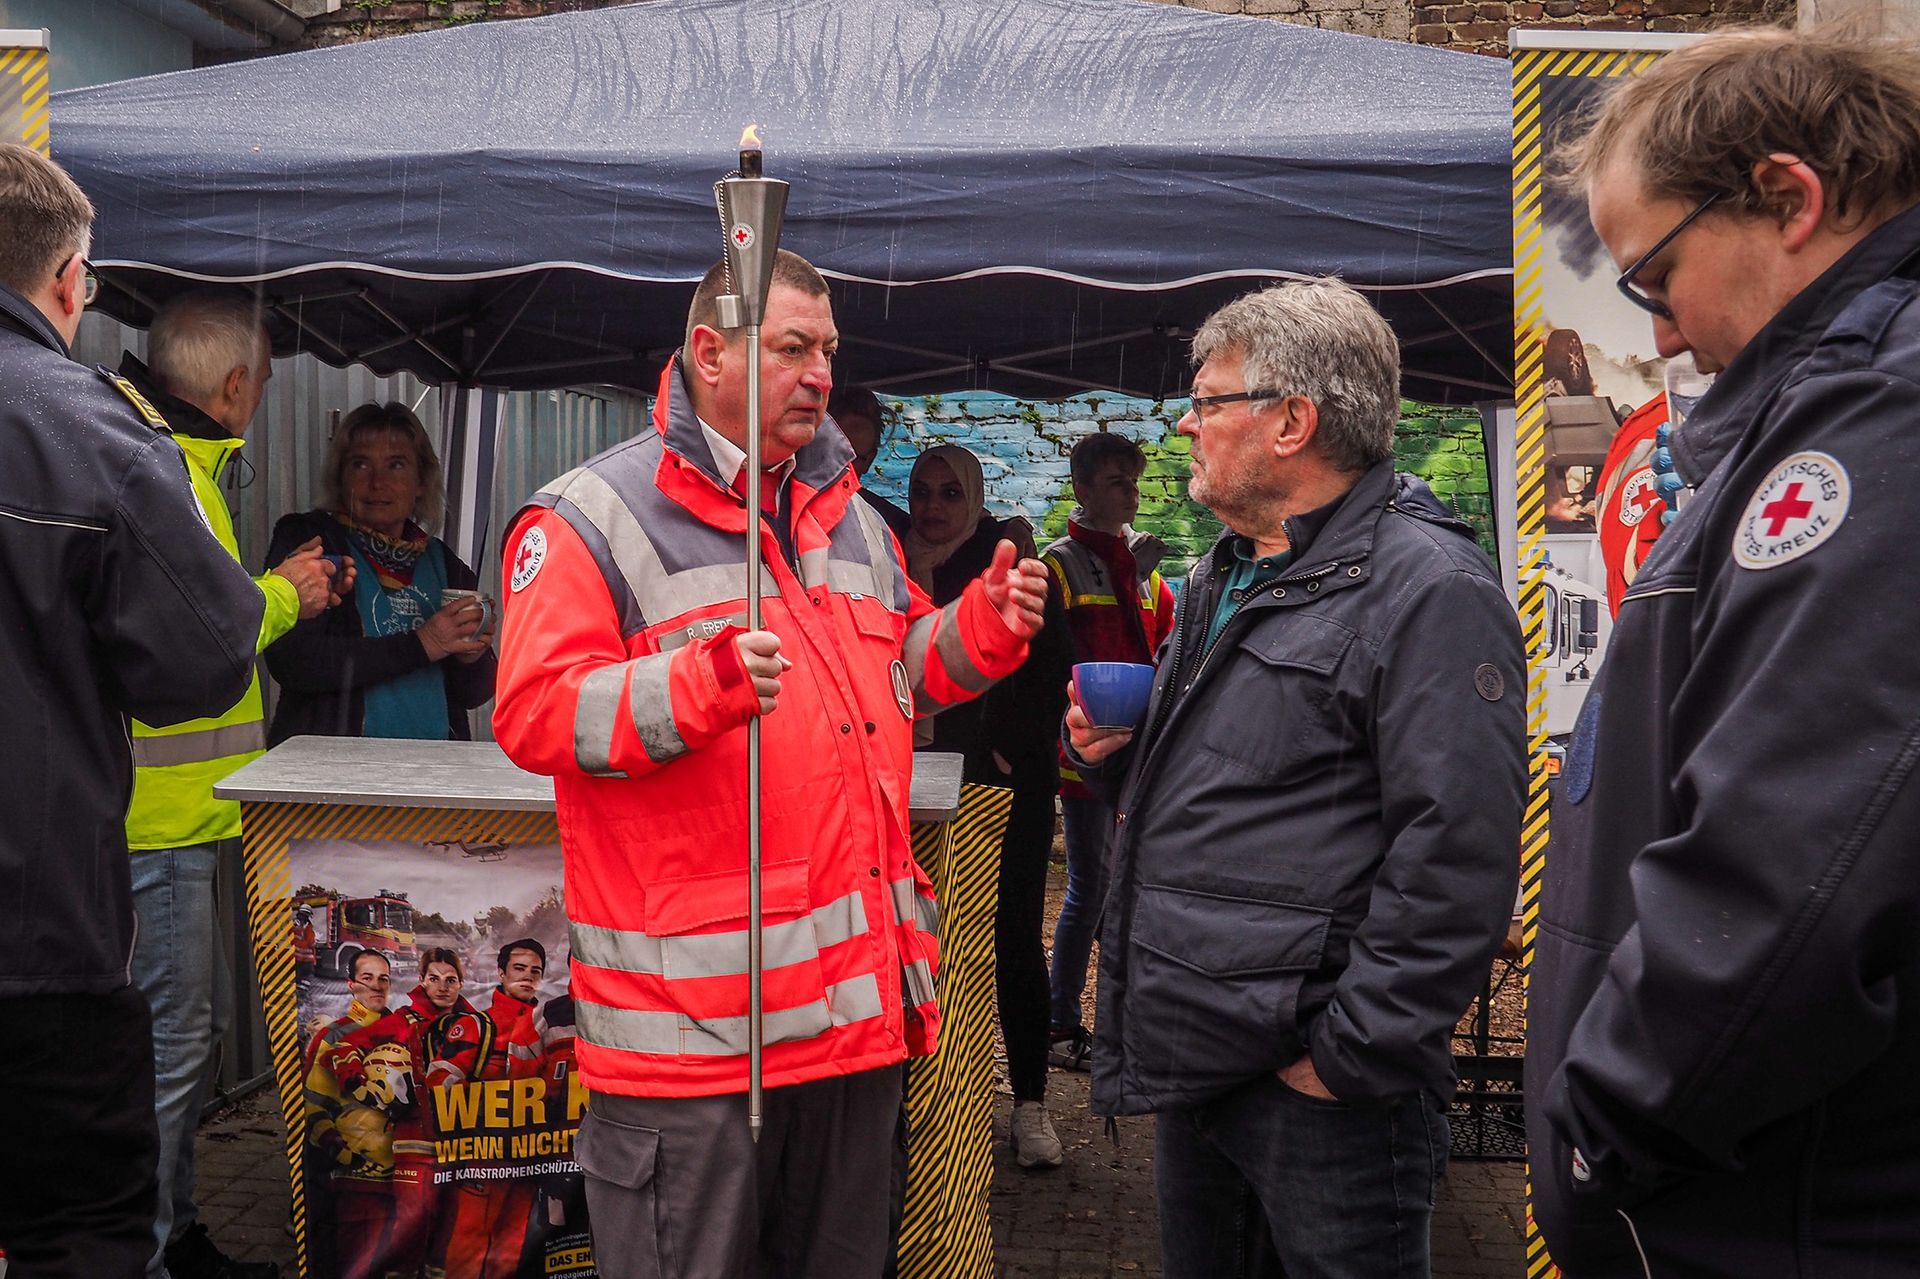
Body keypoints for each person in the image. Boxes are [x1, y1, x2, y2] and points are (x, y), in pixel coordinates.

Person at [491, 248, 1049, 1277]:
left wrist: (983, 629)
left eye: (828, 350)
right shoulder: (590, 518)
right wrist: (694, 687)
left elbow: (903, 675)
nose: (822, 374)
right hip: (692, 1045)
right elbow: (533, 713)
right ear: (709, 352)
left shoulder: (848, 518)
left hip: (847, 1027)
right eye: (793, 347)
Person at [1526, 30, 1920, 1277]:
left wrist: (1611, 1128)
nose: (1668, 329)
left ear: (1790, 200)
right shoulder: (1832, 407)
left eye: (1657, 275)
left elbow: (1799, 869)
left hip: (1775, 1209)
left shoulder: (1880, 414)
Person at [1067, 277, 1524, 1279]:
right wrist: (1113, 761)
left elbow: (1459, 855)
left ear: (1292, 421)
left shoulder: (1431, 591)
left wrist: (1344, 1060)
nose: (1186, 427)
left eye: (1209, 401)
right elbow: (1228, 788)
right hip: (1205, 1063)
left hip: (1324, 1093)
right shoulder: (1217, 577)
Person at [0, 143, 270, 1277]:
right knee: (79, 1235)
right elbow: (206, 659)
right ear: (71, 281)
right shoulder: (91, 429)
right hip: (40, 941)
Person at [905, 443, 1074, 1168]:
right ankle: (938, 1103)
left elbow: (1051, 669)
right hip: (907, 787)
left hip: (1001, 787)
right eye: (924, 491)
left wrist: (1003, 752)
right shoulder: (885, 558)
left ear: (972, 498)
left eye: (951, 492)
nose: (935, 506)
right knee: (920, 943)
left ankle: (1030, 1105)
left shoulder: (1006, 561)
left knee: (1007, 937)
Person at [1039, 432, 1176, 1072]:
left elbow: (1162, 652)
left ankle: (1124, 1023)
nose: (1132, 492)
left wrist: (1140, 575)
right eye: (1118, 480)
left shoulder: (1148, 572)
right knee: (1090, 887)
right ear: (1083, 489)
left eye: (1134, 480)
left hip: (1141, 755)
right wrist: (1132, 573)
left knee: (1133, 888)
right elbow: (1055, 660)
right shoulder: (1058, 563)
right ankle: (1062, 1024)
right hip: (1082, 751)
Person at [263, 402, 496, 744]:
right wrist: (424, 644)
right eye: (360, 464)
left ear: (421, 480)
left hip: (433, 779)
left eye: (396, 465)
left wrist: (471, 655)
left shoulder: (444, 563)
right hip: (329, 782)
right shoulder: (313, 541)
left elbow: (474, 694)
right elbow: (295, 661)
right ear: (341, 477)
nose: (377, 482)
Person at [435, 939, 546, 1279]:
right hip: (484, 1157)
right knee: (469, 1245)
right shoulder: (476, 1025)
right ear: (501, 972)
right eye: (519, 969)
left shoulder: (548, 1027)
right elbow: (439, 1083)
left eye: (535, 971)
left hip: (529, 1159)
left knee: (511, 1246)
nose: (527, 977)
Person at [829, 383, 911, 541]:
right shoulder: (783, 509)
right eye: (834, 451)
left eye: (853, 458)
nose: (840, 466)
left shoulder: (891, 529)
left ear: (870, 459)